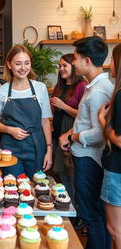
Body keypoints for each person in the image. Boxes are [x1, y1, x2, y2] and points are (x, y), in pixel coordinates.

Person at [59, 36, 113, 249]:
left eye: (76, 58)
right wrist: (70, 134)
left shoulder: (100, 91)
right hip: (86, 157)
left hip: (91, 160)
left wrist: (71, 137)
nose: (74, 62)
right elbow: (85, 122)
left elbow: (97, 133)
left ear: (87, 60)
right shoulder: (94, 87)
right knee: (94, 214)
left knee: (92, 215)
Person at [0, 44, 53, 179]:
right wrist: (10, 130)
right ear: (9, 64)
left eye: (27, 63)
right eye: (18, 64)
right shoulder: (1, 91)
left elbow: (45, 120)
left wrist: (49, 149)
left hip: (37, 147)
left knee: (37, 188)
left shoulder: (40, 88)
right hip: (11, 149)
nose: (23, 68)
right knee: (12, 188)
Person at [98, 43, 121, 249]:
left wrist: (102, 121)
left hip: (117, 169)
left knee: (116, 229)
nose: (110, 66)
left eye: (113, 61)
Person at [50, 54, 86, 208]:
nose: (61, 68)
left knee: (72, 175)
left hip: (72, 135)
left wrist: (64, 106)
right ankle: (71, 208)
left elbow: (85, 116)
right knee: (62, 174)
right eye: (60, 66)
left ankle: (78, 211)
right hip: (58, 134)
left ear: (74, 65)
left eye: (65, 65)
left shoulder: (81, 86)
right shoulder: (59, 86)